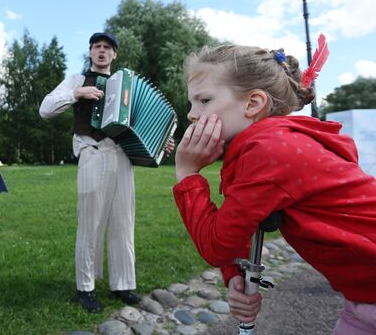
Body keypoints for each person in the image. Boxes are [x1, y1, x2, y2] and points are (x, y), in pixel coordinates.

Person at [172, 44, 376, 334]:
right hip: (363, 300)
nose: (193, 114)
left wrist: (187, 173)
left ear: (253, 103)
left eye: (204, 100)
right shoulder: (270, 144)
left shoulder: (269, 152)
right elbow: (239, 223)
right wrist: (235, 276)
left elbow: (217, 246)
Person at [40, 32, 146, 313]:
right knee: (90, 223)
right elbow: (45, 109)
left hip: (123, 157)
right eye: (97, 47)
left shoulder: (127, 87)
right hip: (92, 153)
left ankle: (123, 284)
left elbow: (140, 124)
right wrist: (77, 93)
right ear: (90, 52)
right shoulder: (77, 80)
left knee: (124, 222)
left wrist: (159, 142)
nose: (101, 51)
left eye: (107, 48)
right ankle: (85, 287)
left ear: (114, 55)